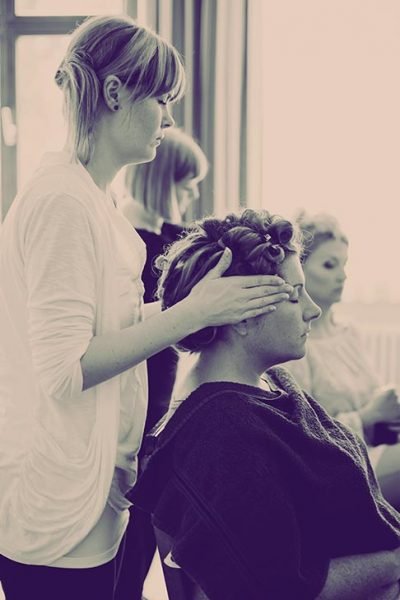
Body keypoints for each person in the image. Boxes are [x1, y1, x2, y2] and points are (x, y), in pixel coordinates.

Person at [0, 16, 292, 600]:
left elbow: (111, 328)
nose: (169, 119)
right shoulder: (61, 202)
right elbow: (66, 369)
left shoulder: (94, 199)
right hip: (57, 504)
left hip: (94, 491)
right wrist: (191, 314)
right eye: (162, 99)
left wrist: (197, 301)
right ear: (114, 93)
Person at [129, 208, 400, 600]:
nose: (312, 309)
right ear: (241, 315)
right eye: (294, 295)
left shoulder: (269, 384)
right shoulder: (222, 433)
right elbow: (279, 588)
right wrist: (393, 561)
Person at [115, 128, 208, 600]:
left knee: (147, 532)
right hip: (139, 402)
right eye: (188, 185)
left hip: (160, 403)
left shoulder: (170, 237)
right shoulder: (134, 243)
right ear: (164, 181)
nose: (194, 195)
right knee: (131, 540)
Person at [285, 212, 400, 510]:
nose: (343, 275)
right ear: (299, 270)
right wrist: (366, 417)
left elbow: (374, 398)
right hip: (341, 469)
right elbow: (303, 437)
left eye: (344, 264)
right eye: (329, 265)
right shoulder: (295, 346)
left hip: (373, 451)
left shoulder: (350, 333)